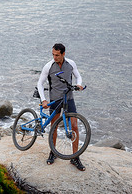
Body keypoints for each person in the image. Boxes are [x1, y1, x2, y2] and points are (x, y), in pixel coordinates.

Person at [37, 43, 86, 171]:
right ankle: (53, 152)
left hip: (69, 99)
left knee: (74, 126)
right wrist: (43, 100)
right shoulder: (48, 66)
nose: (54, 57)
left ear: (63, 54)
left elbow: (78, 76)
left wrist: (79, 84)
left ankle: (75, 157)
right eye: (53, 54)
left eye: (57, 55)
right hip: (55, 99)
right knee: (54, 127)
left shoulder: (71, 64)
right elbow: (40, 83)